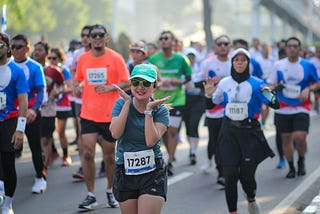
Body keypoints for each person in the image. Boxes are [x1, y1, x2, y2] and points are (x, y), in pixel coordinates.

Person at [204, 48, 279, 214]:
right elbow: (210, 105)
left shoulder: (257, 84)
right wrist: (208, 95)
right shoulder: (224, 83)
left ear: (248, 63)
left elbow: (275, 105)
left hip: (249, 133)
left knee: (247, 178)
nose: (239, 62)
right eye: (236, 59)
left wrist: (270, 95)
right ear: (232, 63)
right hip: (229, 132)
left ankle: (251, 198)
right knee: (230, 175)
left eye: (243, 60)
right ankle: (233, 212)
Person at [74, 24, 129, 210]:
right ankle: (90, 195)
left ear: (106, 38)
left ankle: (110, 191)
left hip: (109, 114)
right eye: (93, 35)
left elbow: (127, 81)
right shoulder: (83, 58)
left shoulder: (116, 58)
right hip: (88, 113)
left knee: (109, 157)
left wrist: (110, 87)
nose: (96, 38)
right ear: (88, 39)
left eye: (100, 35)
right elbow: (80, 78)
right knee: (87, 153)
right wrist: (76, 85)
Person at [110, 64, 169, 214]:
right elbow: (115, 134)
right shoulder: (121, 104)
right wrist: (127, 103)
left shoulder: (161, 110)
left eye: (146, 83)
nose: (140, 87)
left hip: (153, 172)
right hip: (125, 170)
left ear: (154, 85)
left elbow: (150, 141)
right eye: (136, 82)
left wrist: (148, 112)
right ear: (131, 84)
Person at [267, 37, 320, 178]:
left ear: (300, 48)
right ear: (286, 49)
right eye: (289, 46)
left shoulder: (308, 65)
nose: (292, 48)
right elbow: (270, 85)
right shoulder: (278, 65)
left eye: (295, 46)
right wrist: (277, 87)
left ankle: (301, 160)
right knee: (286, 139)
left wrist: (308, 89)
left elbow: (317, 82)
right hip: (282, 108)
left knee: (300, 136)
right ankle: (291, 167)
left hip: (301, 107)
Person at [148, 30, 192, 176]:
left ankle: (171, 160)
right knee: (163, 133)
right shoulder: (154, 59)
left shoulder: (181, 59)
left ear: (173, 42)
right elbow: (149, 78)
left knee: (173, 131)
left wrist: (178, 81)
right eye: (161, 38)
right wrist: (160, 83)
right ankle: (169, 154)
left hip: (177, 100)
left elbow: (188, 76)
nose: (163, 40)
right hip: (159, 100)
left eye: (166, 38)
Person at [11, 34, 47, 193]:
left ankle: (40, 177)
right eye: (12, 46)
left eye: (18, 47)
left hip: (31, 114)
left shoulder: (34, 67)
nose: (14, 50)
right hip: (11, 114)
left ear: (27, 48)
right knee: (7, 148)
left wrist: (35, 109)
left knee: (35, 147)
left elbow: (40, 91)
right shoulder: (7, 66)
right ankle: (5, 183)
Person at [0, 32, 29, 214]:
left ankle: (7, 204)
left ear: (7, 48)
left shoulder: (16, 71)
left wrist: (20, 130)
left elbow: (24, 102)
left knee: (8, 164)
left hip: (9, 122)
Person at [199, 35, 232, 187]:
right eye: (220, 44)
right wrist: (209, 89)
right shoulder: (207, 64)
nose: (223, 46)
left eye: (226, 43)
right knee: (217, 142)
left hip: (232, 110)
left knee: (230, 142)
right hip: (214, 111)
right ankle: (221, 173)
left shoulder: (236, 62)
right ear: (215, 47)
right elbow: (198, 81)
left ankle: (229, 170)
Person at [48, 47, 73, 166]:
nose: (52, 60)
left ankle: (66, 155)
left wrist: (60, 91)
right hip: (50, 105)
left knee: (60, 132)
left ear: (60, 58)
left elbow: (70, 87)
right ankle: (53, 152)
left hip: (62, 105)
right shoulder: (46, 70)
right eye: (50, 58)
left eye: (54, 58)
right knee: (49, 132)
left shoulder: (64, 70)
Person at [181, 47, 204, 165]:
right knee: (188, 125)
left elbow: (205, 82)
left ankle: (193, 152)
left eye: (193, 57)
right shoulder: (181, 69)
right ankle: (192, 147)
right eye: (188, 57)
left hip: (198, 100)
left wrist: (194, 85)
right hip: (184, 100)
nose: (191, 59)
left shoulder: (201, 68)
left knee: (194, 124)